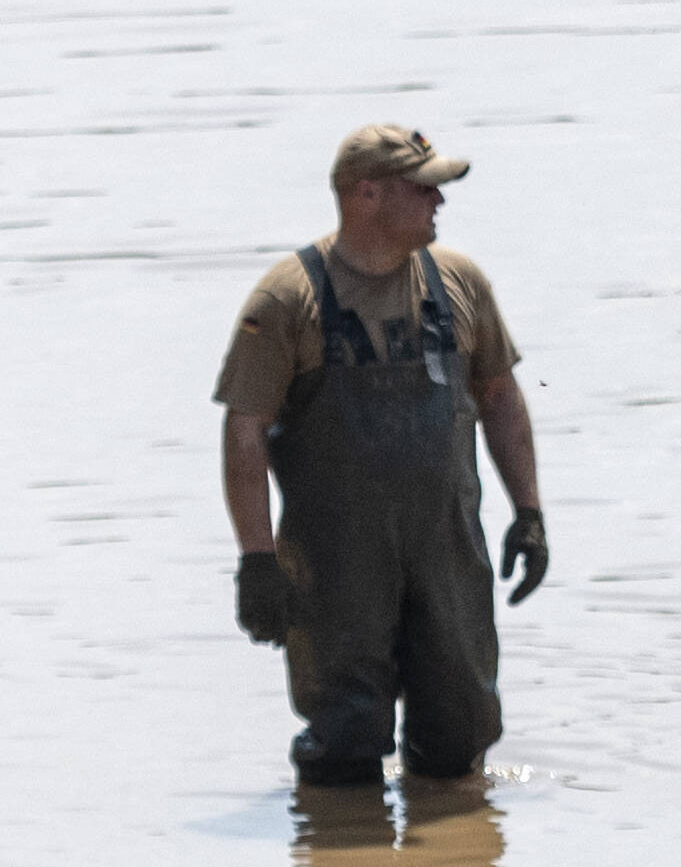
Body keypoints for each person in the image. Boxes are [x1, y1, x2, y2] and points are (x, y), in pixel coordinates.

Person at [223, 121, 547, 792]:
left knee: (459, 742)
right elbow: (245, 433)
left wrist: (529, 512)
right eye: (423, 189)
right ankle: (342, 844)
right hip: (336, 562)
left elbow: (500, 395)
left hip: (447, 549)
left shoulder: (460, 282)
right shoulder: (289, 298)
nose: (439, 203)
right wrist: (256, 561)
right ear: (366, 195)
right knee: (344, 748)